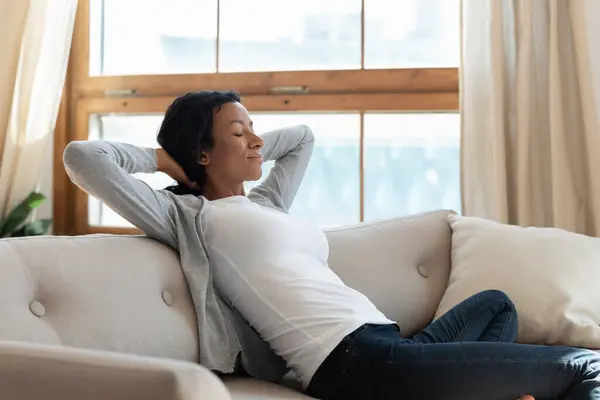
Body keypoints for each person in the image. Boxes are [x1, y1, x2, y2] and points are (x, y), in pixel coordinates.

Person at [63, 90, 600, 400]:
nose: (256, 140)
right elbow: (83, 158)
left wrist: (237, 141)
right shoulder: (189, 215)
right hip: (351, 361)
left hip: (390, 346)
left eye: (255, 129)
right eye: (238, 133)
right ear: (201, 153)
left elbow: (301, 139)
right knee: (581, 367)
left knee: (497, 305)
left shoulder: (265, 205)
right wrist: (167, 159)